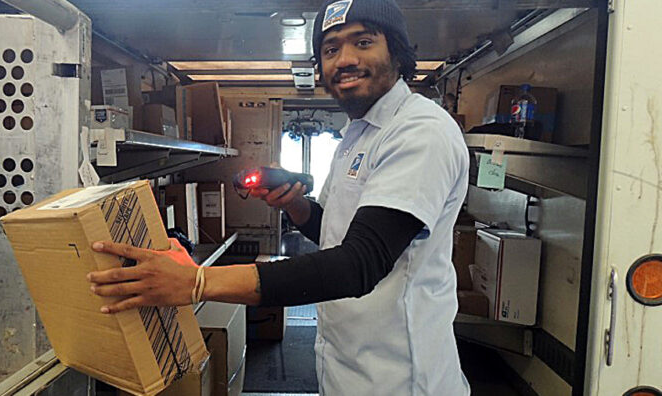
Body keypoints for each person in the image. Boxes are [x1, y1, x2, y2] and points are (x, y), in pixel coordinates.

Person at [87, 0, 471, 394]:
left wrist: (197, 282)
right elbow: (342, 233)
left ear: (397, 52)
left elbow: (360, 263)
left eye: (364, 42)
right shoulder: (358, 135)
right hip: (348, 368)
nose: (345, 60)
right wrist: (297, 206)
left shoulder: (420, 132)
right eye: (331, 49)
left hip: (402, 378)